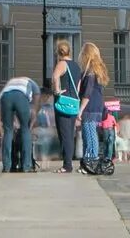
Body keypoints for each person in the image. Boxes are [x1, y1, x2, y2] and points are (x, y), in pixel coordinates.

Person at [49, 40, 83, 174]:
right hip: (74, 102)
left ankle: (67, 165)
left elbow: (54, 77)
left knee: (64, 135)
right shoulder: (76, 66)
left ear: (58, 52)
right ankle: (68, 163)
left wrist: (57, 90)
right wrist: (76, 97)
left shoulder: (61, 64)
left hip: (63, 102)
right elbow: (78, 85)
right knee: (70, 133)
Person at [75, 42, 109, 171]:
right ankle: (87, 162)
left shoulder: (90, 73)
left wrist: (80, 110)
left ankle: (91, 161)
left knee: (89, 135)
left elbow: (87, 94)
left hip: (89, 108)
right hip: (97, 107)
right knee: (88, 135)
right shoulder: (95, 72)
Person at [0, 73, 38, 173]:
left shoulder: (11, 82)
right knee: (25, 129)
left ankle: (6, 166)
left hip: (5, 97)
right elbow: (36, 99)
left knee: (8, 131)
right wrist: (34, 113)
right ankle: (26, 166)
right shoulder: (32, 83)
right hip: (21, 96)